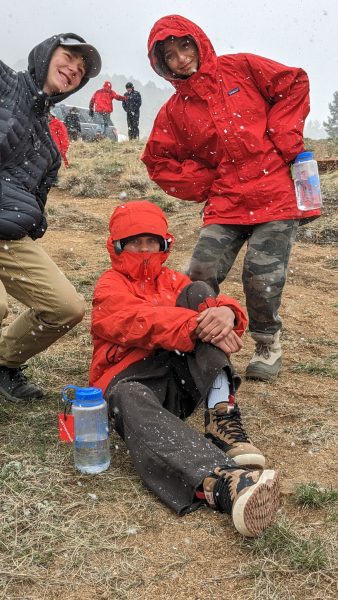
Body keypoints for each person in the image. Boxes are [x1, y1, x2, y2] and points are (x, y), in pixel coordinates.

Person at [141, 15, 321, 382]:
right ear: (162, 65)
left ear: (199, 43)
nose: (181, 59)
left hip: (274, 193)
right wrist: (203, 182)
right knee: (199, 274)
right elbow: (157, 161)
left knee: (260, 276)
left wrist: (284, 137)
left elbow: (294, 82)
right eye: (170, 55)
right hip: (225, 202)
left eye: (185, 46)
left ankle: (268, 343)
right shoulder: (174, 112)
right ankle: (202, 340)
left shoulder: (241, 68)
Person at [89, 200, 280, 538]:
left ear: (165, 244)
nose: (144, 249)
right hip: (132, 380)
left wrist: (228, 314)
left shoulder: (176, 282)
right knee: (125, 396)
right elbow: (137, 321)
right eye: (134, 241)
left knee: (201, 292)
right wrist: (198, 324)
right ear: (117, 246)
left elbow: (213, 307)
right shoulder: (109, 285)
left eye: (152, 241)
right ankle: (222, 483)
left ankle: (222, 417)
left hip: (179, 382)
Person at [0, 33, 101, 403]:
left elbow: (38, 199)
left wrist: (31, 221)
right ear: (45, 54)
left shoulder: (49, 144)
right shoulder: (5, 82)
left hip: (9, 236)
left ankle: (4, 362)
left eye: (81, 69)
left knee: (65, 308)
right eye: (69, 57)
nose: (74, 68)